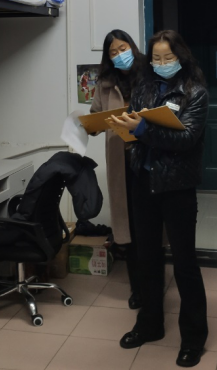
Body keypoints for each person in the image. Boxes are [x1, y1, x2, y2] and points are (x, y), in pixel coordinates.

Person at [110, 30, 209, 368]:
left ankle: (193, 337)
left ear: (181, 56)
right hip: (143, 182)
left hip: (177, 187)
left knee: (184, 263)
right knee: (147, 258)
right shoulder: (144, 87)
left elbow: (187, 139)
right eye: (156, 58)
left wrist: (143, 130)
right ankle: (149, 324)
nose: (162, 63)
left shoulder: (195, 92)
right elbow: (133, 127)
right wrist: (126, 128)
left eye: (168, 57)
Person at [90, 29, 154, 310]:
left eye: (123, 48)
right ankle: (137, 288)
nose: (119, 55)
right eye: (113, 52)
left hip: (149, 158)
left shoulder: (150, 73)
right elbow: (95, 116)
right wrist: (91, 125)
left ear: (132, 47)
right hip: (122, 162)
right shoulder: (105, 83)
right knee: (128, 228)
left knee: (149, 225)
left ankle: (152, 283)